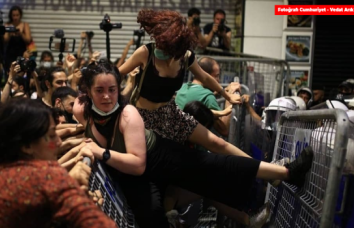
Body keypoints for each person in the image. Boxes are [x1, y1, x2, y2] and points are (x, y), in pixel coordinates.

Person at [74, 61, 314, 228]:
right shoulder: (82, 110)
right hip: (142, 175)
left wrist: (99, 152)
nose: (106, 96)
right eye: (99, 90)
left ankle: (285, 173)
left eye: (111, 90)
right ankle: (269, 185)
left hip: (161, 156)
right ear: (87, 91)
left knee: (217, 164)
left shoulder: (127, 114)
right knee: (154, 217)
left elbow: (137, 163)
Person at [0, 99, 116, 228]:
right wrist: (80, 199)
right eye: (51, 136)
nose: (58, 142)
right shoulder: (44, 176)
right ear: (27, 145)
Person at [118, 9, 245, 158]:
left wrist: (227, 96)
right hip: (143, 118)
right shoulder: (146, 53)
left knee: (217, 143)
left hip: (170, 114)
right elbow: (117, 74)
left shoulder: (185, 56)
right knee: (158, 159)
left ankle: (272, 172)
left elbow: (205, 77)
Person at [175, 57, 234, 136]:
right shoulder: (207, 97)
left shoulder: (183, 88)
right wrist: (230, 97)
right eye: (216, 76)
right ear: (206, 76)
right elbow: (224, 130)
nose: (218, 80)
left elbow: (197, 96)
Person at [3, 6, 32, 75]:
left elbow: (28, 40)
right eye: (13, 15)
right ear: (11, 16)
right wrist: (9, 33)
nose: (15, 17)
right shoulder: (7, 25)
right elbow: (5, 40)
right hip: (10, 54)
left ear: (20, 15)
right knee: (10, 74)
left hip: (22, 53)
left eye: (17, 15)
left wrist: (21, 33)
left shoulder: (25, 25)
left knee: (21, 73)